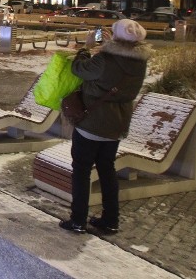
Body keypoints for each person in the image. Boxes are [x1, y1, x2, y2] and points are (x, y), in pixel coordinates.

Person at [59, 18, 153, 234]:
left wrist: (87, 46)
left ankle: (78, 220)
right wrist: (111, 46)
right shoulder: (139, 61)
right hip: (116, 124)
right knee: (107, 170)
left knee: (81, 171)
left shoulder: (105, 60)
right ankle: (111, 220)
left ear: (117, 36)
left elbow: (78, 68)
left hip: (92, 124)